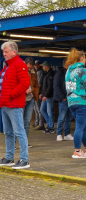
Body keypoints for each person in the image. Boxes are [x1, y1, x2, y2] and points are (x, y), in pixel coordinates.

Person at [0, 41, 30, 169]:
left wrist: (11, 95)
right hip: (5, 104)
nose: (4, 54)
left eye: (6, 52)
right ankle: (9, 157)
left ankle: (24, 159)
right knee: (8, 132)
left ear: (14, 51)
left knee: (19, 132)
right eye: (3, 52)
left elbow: (24, 83)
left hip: (14, 104)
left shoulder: (19, 64)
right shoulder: (7, 66)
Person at [53, 59, 74, 141]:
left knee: (69, 117)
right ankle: (59, 133)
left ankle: (67, 133)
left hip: (70, 98)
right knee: (62, 117)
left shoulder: (71, 73)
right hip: (64, 99)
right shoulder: (59, 73)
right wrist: (63, 97)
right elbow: (56, 86)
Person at [23, 57, 40, 148]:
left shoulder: (34, 72)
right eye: (28, 67)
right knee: (18, 122)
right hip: (21, 100)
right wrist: (24, 91)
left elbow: (36, 85)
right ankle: (13, 143)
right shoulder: (19, 71)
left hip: (30, 99)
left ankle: (24, 143)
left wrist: (35, 94)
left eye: (31, 68)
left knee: (27, 122)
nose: (29, 69)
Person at [40, 61, 55, 134]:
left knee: (49, 112)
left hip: (49, 96)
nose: (42, 67)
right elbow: (45, 87)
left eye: (43, 66)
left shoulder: (51, 74)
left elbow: (50, 87)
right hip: (45, 96)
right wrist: (42, 94)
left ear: (47, 67)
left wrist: (45, 95)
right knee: (42, 109)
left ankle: (51, 127)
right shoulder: (47, 74)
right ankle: (49, 125)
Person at [34, 60, 45, 130]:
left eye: (37, 65)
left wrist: (34, 89)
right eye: (35, 65)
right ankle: (37, 122)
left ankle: (41, 124)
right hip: (35, 93)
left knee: (39, 109)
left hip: (38, 93)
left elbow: (39, 84)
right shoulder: (36, 72)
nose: (36, 66)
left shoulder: (40, 72)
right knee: (35, 109)